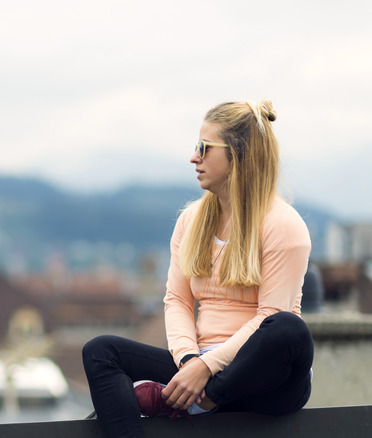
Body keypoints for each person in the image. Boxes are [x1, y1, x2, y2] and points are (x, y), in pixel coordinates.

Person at [82, 100, 314, 437]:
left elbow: (269, 316)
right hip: (200, 365)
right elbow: (176, 300)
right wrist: (190, 362)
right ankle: (190, 398)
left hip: (266, 381)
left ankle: (195, 402)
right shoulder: (190, 221)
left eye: (204, 147)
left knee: (288, 329)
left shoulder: (283, 225)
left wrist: (207, 368)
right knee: (100, 352)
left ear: (239, 154)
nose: (194, 157)